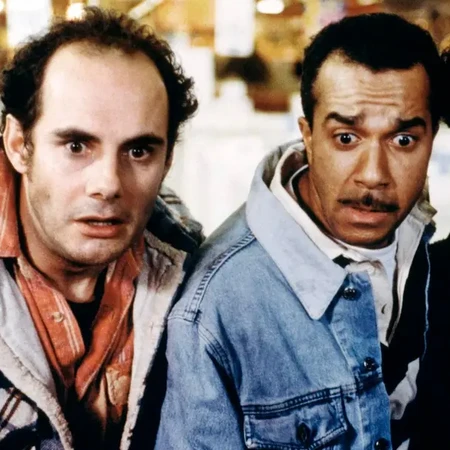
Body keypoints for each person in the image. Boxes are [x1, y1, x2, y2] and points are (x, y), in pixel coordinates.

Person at [155, 13, 443, 450]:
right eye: (346, 138)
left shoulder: (420, 238)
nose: (374, 175)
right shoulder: (218, 307)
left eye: (402, 141)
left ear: (432, 138)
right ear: (307, 135)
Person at [0, 6, 199, 450]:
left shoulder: (196, 277)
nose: (108, 184)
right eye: (76, 145)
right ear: (18, 144)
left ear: (168, 159)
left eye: (139, 151)